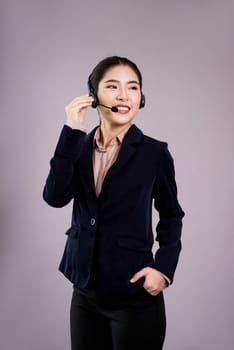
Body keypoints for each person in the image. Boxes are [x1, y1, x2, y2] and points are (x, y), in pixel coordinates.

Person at [43, 55, 185, 350]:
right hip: (84, 293)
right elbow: (55, 197)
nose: (124, 96)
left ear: (141, 98)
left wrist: (164, 270)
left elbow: (171, 215)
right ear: (94, 96)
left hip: (134, 295)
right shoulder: (77, 146)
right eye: (112, 86)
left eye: (133, 88)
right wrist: (71, 129)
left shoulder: (155, 154)